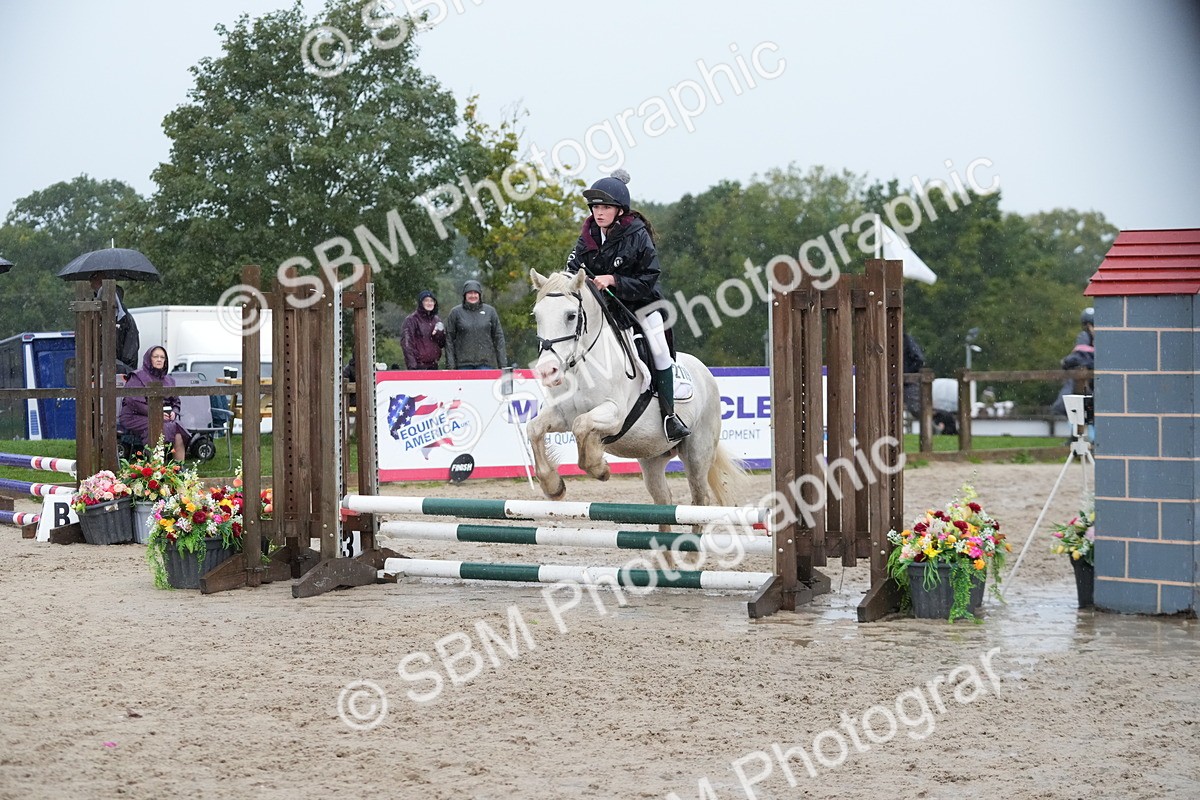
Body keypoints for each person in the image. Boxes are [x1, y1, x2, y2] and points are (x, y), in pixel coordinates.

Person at [565, 170, 690, 441]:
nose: (599, 212)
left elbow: (650, 276)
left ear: (620, 211)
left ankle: (669, 416)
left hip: (641, 304)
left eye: (605, 207)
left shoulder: (637, 234)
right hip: (605, 307)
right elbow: (572, 269)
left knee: (658, 351)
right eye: (596, 207)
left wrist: (614, 280)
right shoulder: (588, 235)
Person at [119, 346, 190, 462]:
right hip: (136, 416)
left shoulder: (169, 380)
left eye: (162, 357)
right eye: (155, 356)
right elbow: (133, 401)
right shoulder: (137, 377)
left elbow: (176, 401)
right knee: (158, 427)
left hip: (164, 417)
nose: (159, 359)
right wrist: (157, 414)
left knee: (178, 430)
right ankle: (156, 469)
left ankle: (178, 469)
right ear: (149, 359)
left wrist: (174, 412)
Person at [445, 280, 507, 370]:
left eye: (475, 293)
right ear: (465, 295)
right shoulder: (455, 312)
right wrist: (450, 365)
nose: (473, 296)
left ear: (479, 295)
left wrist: (503, 365)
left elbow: (499, 338)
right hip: (463, 365)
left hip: (486, 364)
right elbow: (449, 340)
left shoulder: (490, 311)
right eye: (470, 293)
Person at [90, 275, 140, 374]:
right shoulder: (93, 321)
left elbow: (130, 352)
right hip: (98, 372)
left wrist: (120, 367)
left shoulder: (126, 320)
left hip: (120, 372)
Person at [1052, 307, 1095, 417]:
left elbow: (1080, 357)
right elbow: (1081, 357)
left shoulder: (1087, 337)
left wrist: (1066, 362)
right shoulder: (1085, 337)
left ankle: (1063, 407)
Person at [401, 290, 447, 370]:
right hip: (418, 366)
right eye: (426, 300)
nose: (429, 303)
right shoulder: (411, 320)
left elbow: (442, 343)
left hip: (434, 365)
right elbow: (407, 344)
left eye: (432, 301)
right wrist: (412, 366)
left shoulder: (437, 320)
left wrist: (440, 334)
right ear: (421, 303)